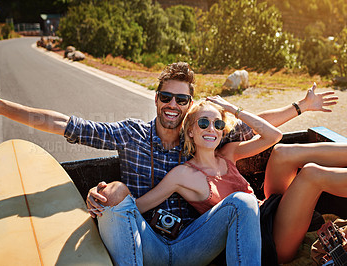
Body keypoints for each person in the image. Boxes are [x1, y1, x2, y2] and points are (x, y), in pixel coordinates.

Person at [0, 62, 337, 263]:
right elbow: (64, 124)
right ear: (156, 98)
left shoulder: (202, 134)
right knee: (114, 193)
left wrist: (301, 106)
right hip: (143, 240)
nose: (172, 105)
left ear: (189, 105)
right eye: (166, 97)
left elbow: (256, 123)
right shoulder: (129, 134)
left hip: (192, 244)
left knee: (243, 202)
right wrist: (2, 108)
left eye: (181, 100)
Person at [95, 97, 282, 264]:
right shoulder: (182, 174)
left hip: (207, 246)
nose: (211, 128)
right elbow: (137, 207)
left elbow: (274, 136)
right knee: (113, 190)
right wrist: (103, 198)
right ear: (191, 131)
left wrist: (232, 109)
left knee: (244, 201)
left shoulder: (229, 154)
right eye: (203, 123)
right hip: (164, 248)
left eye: (217, 124)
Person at [262, 142, 347, 263]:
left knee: (289, 159)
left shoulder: (227, 149)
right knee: (302, 169)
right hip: (264, 230)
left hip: (265, 227)